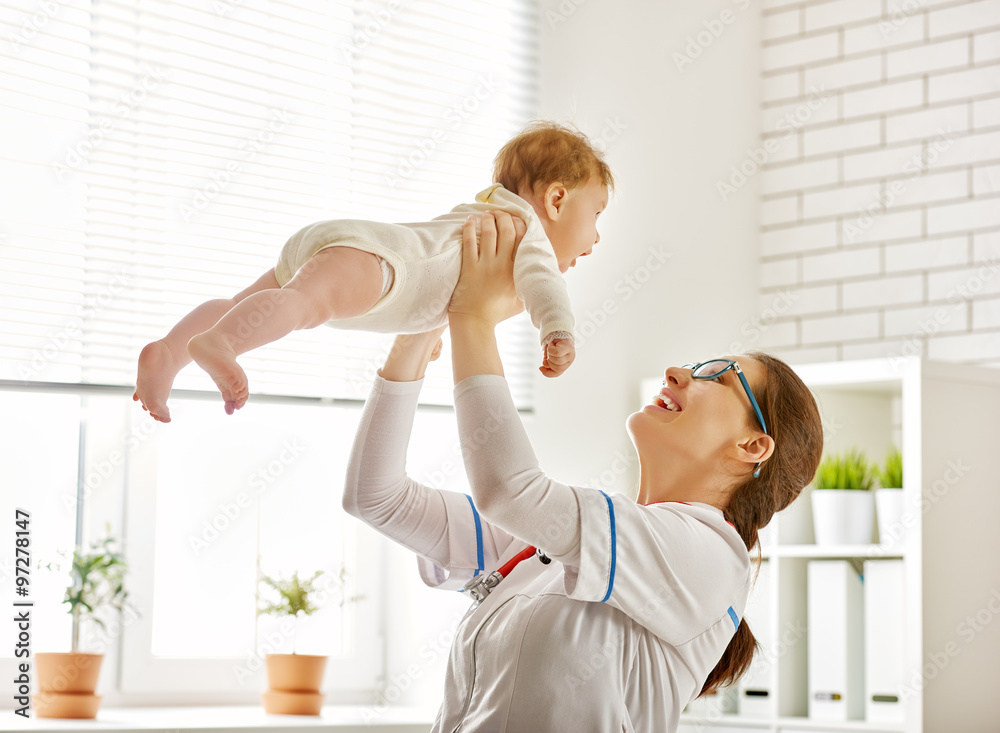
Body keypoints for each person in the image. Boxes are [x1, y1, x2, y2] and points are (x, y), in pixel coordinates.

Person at [343, 211, 825, 732]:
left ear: (753, 446)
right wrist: (417, 335)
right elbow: (376, 498)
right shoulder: (565, 543)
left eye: (717, 375)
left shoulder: (710, 556)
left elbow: (510, 491)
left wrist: (473, 316)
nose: (677, 372)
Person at [132, 121, 613, 422]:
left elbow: (440, 277)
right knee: (301, 306)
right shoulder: (523, 231)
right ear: (555, 199)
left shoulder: (485, 213)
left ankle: (169, 353)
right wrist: (557, 330)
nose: (596, 238)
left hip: (353, 248)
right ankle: (221, 343)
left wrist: (428, 327)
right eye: (595, 215)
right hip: (379, 266)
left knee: (246, 305)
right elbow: (543, 283)